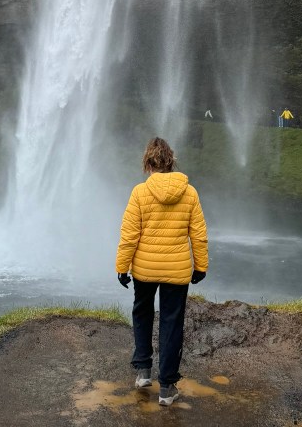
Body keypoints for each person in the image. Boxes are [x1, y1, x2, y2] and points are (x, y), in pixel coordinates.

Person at [116, 137, 208, 407]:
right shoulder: (189, 192)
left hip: (144, 269)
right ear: (171, 161)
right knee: (171, 322)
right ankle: (167, 388)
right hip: (177, 270)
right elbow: (199, 235)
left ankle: (143, 371)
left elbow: (129, 236)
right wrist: (200, 266)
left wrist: (122, 267)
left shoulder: (139, 193)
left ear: (148, 163)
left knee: (142, 312)